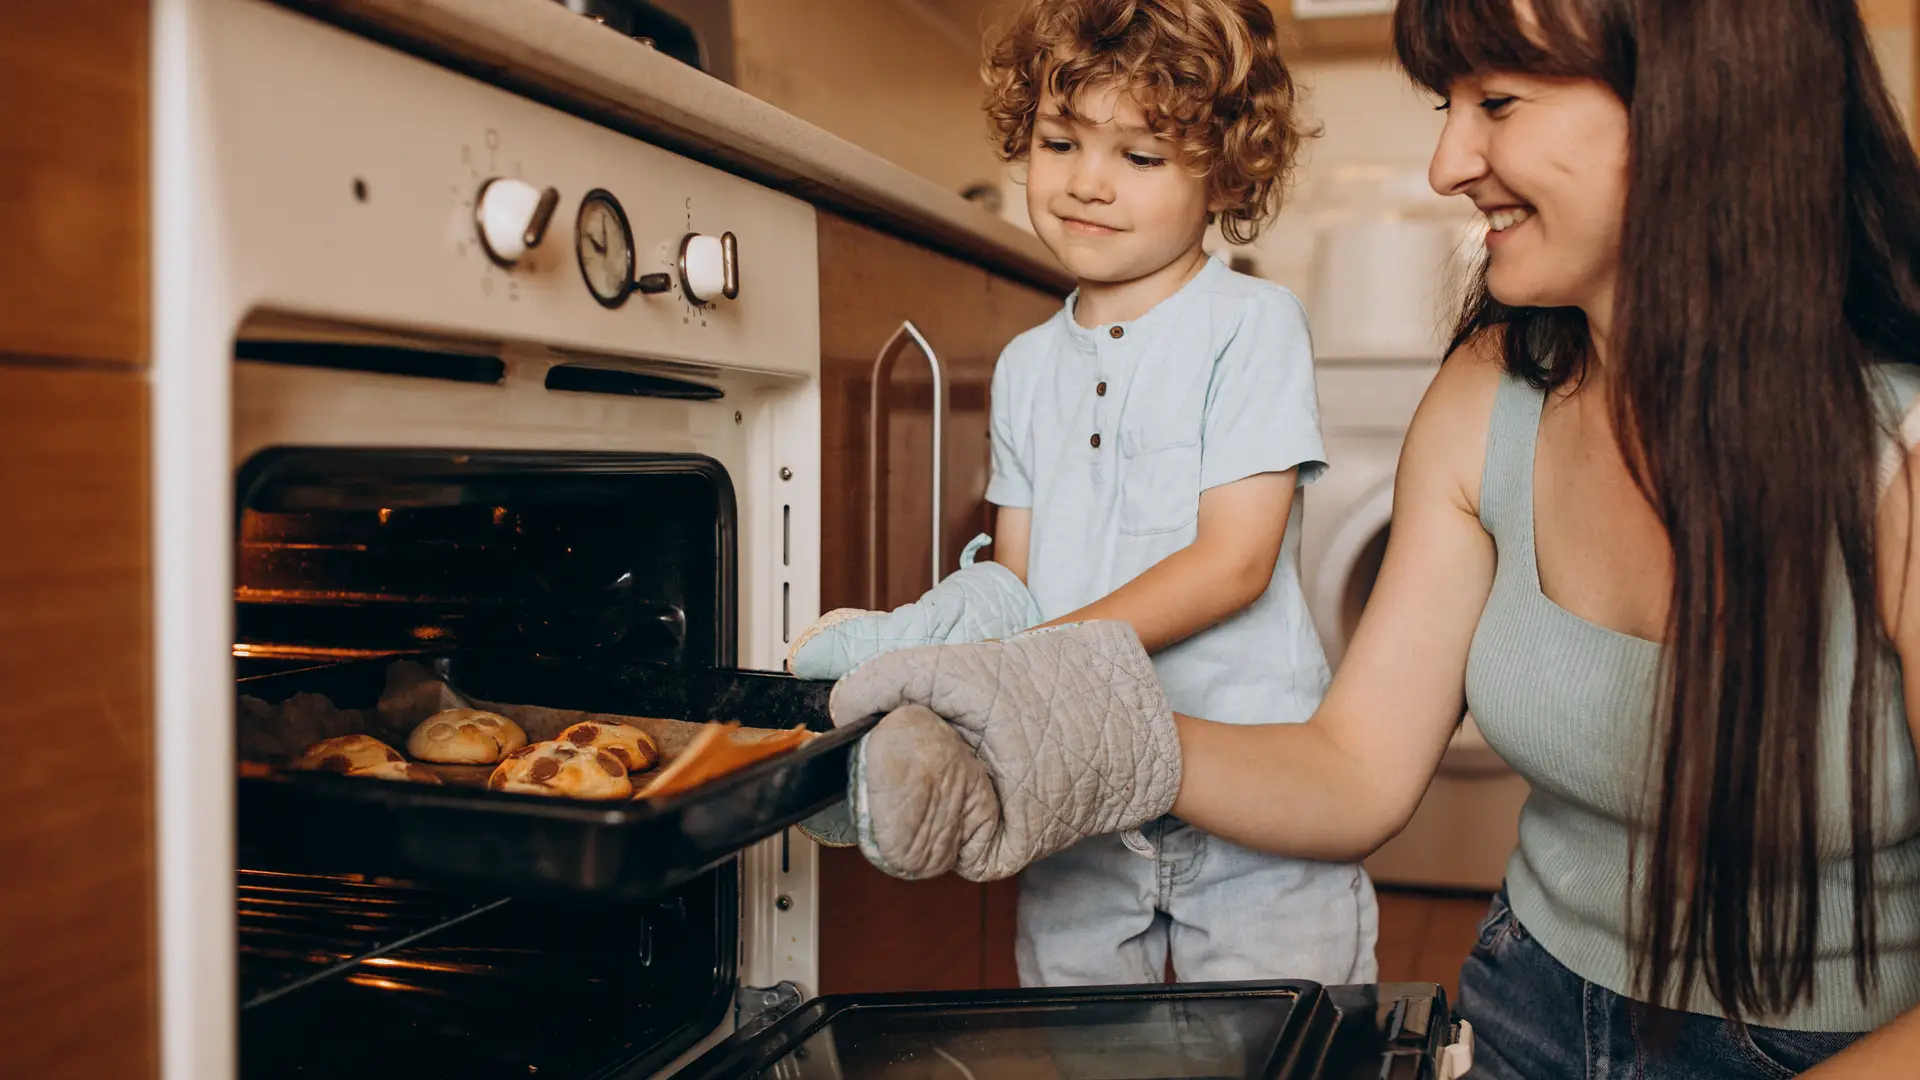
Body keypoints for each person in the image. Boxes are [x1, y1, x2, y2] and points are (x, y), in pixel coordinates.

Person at [821, 0, 1920, 1074]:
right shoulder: (1490, 394)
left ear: (1707, 104)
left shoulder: (1901, 456)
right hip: (1522, 1004)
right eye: (1449, 103)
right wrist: (1075, 731)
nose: (1446, 163)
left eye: (1497, 100)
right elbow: (1355, 771)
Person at [788, 0, 1377, 989]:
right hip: (1073, 805)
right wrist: (922, 644)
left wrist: (1033, 673)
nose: (1088, 183)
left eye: (1140, 156)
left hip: (1250, 804)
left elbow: (1234, 562)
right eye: (1061, 142)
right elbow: (1016, 581)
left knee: (1288, 1040)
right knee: (1087, 1047)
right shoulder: (1025, 365)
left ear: (1223, 174)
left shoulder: (1251, 323)